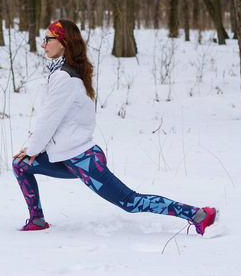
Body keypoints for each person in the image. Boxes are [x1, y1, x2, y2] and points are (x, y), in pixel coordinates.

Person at [12, 20, 217, 235]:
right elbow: (60, 121)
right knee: (20, 164)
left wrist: (34, 148)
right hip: (65, 157)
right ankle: (37, 220)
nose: (43, 44)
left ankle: (199, 214)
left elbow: (48, 119)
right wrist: (37, 149)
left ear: (63, 42)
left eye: (47, 39)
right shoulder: (61, 73)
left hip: (83, 160)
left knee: (130, 202)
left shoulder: (65, 77)